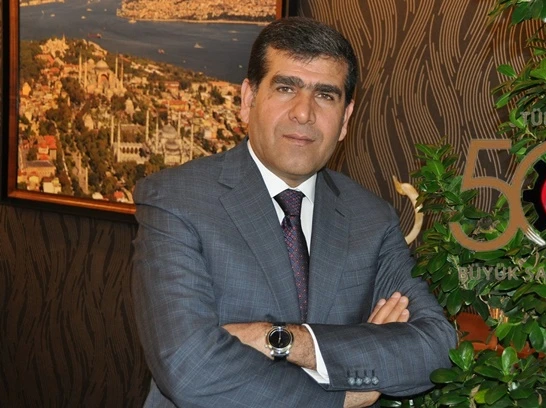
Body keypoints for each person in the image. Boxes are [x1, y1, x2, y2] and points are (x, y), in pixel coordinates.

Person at [132, 17, 456, 408]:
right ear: (248, 100)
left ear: (345, 120)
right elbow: (190, 368)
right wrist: (344, 393)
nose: (304, 113)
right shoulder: (176, 200)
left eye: (326, 95)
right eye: (286, 88)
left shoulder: (371, 219)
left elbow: (436, 346)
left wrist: (284, 341)